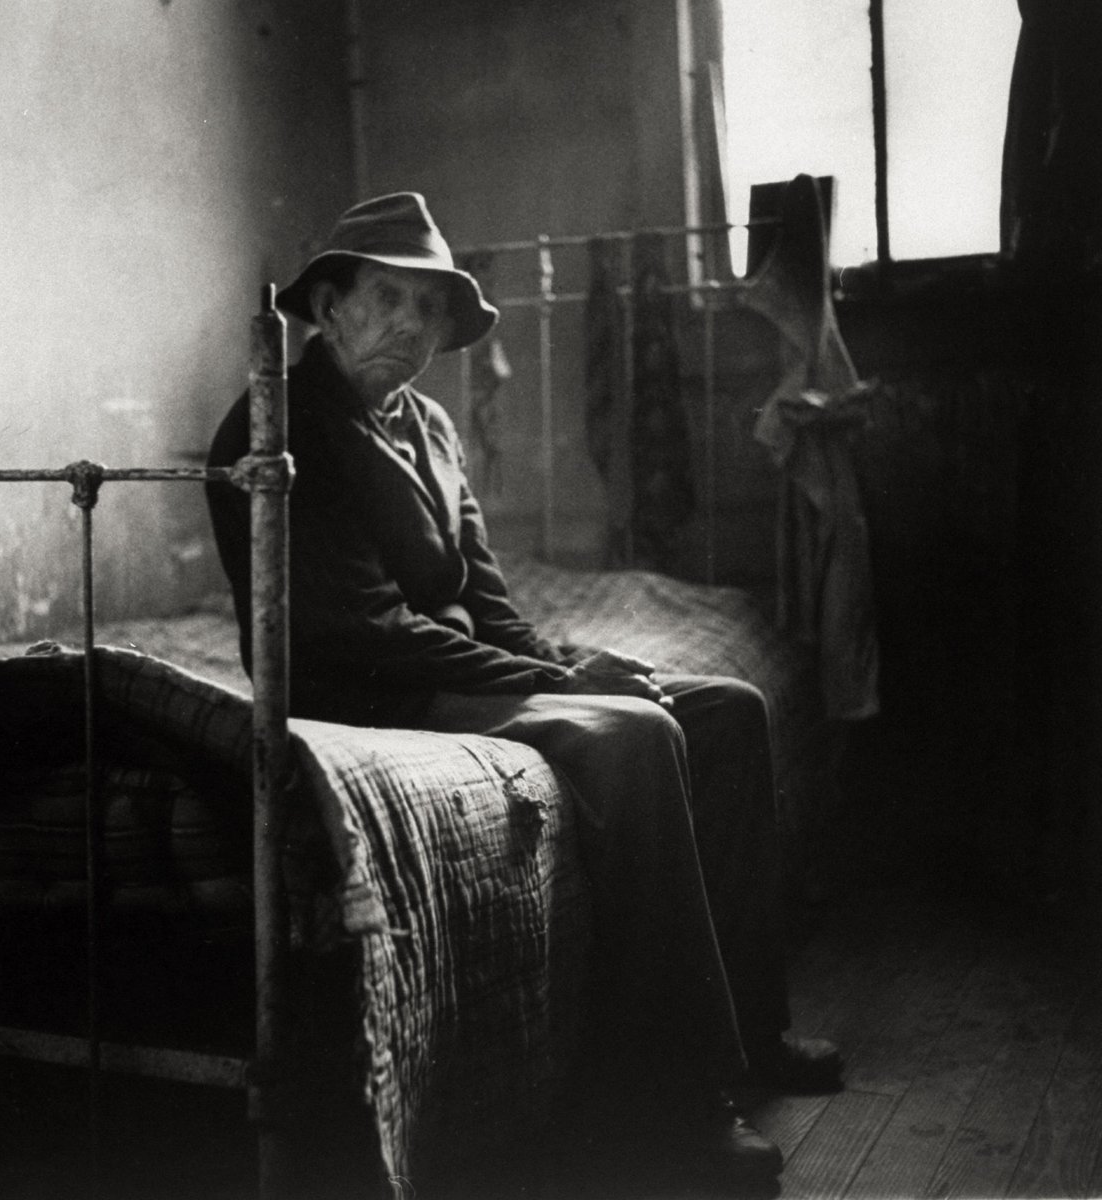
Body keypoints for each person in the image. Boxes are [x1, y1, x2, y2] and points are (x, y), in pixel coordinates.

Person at [207, 192, 842, 1188]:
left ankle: (753, 1030)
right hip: (368, 698)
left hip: (448, 675)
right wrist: (557, 682)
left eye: (430, 312)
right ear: (327, 307)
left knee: (724, 705)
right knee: (632, 737)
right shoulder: (281, 424)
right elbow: (364, 630)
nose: (415, 332)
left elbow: (485, 601)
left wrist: (567, 659)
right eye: (391, 301)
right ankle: (668, 1102)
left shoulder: (427, 425)